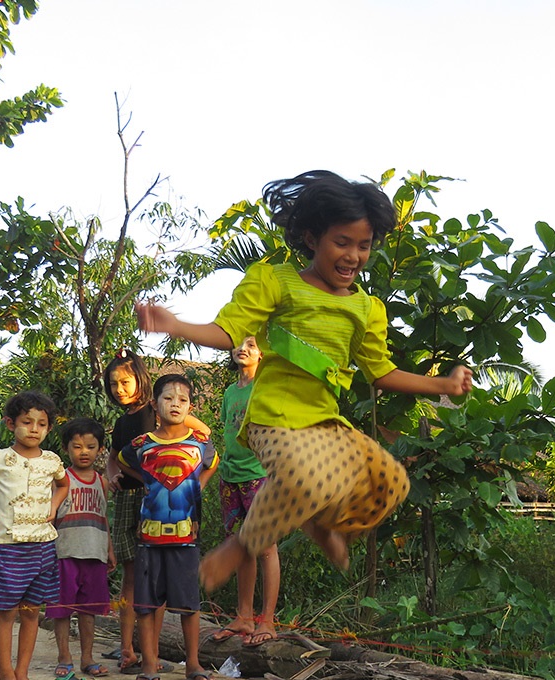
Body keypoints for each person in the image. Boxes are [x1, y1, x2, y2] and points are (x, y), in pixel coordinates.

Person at [136, 170, 472, 597]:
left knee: (392, 480)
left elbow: (381, 373)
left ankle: (318, 522)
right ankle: (242, 545)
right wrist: (177, 325)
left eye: (364, 246)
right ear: (313, 238)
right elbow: (229, 331)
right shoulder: (278, 281)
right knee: (304, 473)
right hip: (273, 419)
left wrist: (441, 384)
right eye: (342, 243)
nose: (353, 256)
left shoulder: (367, 309)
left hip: (322, 423)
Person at [103, 349, 208, 673]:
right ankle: (128, 650)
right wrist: (115, 477)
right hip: (133, 504)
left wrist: (192, 483)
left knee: (160, 582)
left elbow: (201, 435)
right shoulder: (123, 423)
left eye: (125, 381)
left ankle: (152, 653)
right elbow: (114, 458)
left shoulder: (159, 409)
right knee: (134, 578)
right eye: (113, 384)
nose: (119, 389)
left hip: (172, 508)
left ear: (140, 378)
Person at [0, 391, 69, 680]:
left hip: (43, 546)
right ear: (10, 423)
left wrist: (55, 505)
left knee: (32, 611)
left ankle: (23, 672)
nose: (34, 429)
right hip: (8, 547)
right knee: (7, 613)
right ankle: (5, 674)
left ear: (49, 428)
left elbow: (64, 483)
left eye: (42, 424)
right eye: (27, 422)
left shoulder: (52, 461)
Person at [118, 373, 220, 680]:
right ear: (154, 403)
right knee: (147, 604)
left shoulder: (200, 443)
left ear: (190, 406)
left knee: (189, 603)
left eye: (182, 400)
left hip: (187, 536)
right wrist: (148, 481)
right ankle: (148, 664)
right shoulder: (141, 445)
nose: (175, 404)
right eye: (168, 398)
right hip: (149, 537)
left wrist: (197, 487)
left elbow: (213, 463)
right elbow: (121, 461)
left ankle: (193, 663)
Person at [212, 336, 282, 647]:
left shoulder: (268, 386)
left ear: (263, 352)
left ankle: (267, 619)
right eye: (240, 343)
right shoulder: (230, 392)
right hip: (231, 475)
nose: (244, 348)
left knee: (265, 547)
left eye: (252, 344)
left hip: (260, 476)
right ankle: (244, 616)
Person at [46, 417, 116, 680]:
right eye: (77, 446)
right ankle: (64, 657)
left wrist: (109, 548)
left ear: (100, 449)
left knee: (89, 610)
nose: (84, 452)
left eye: (90, 446)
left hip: (95, 553)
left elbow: (103, 516)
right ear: (67, 449)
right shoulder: (60, 480)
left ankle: (87, 658)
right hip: (65, 553)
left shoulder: (102, 482)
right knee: (61, 609)